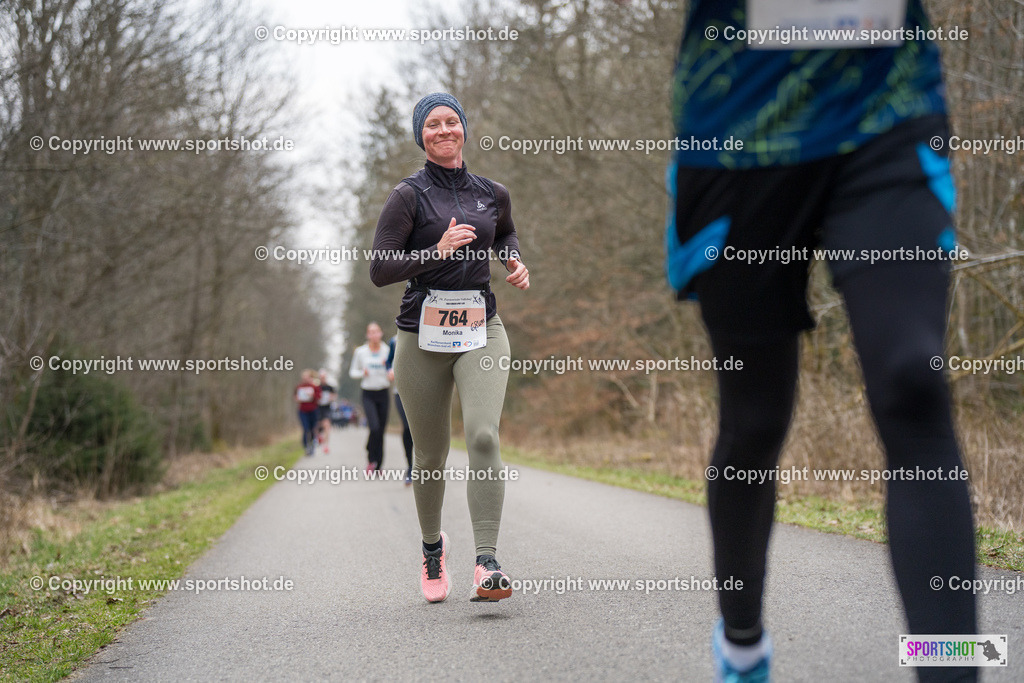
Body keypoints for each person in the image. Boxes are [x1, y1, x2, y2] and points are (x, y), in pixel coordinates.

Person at [664, 2, 977, 681]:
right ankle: (742, 641)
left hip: (885, 105)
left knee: (913, 381)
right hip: (735, 136)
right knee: (755, 419)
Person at [370, 92, 529, 603]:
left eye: (451, 121)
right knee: (430, 454)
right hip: (421, 334)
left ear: (464, 128)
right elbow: (380, 269)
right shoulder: (408, 196)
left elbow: (505, 234)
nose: (444, 130)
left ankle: (487, 563)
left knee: (482, 435)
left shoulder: (492, 193)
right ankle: (433, 549)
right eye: (432, 124)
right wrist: (435, 251)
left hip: (482, 327)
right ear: (421, 136)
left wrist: (513, 260)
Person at [348, 322, 391, 474]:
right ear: (367, 335)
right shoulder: (361, 352)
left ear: (381, 333)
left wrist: (390, 371)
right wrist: (362, 373)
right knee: (374, 427)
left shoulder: (387, 350)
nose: (374, 334)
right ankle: (371, 458)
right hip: (368, 393)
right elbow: (353, 372)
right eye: (371, 332)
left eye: (376, 331)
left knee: (381, 430)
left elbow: (393, 369)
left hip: (383, 392)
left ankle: (379, 465)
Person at [386, 333, 414, 486]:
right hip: (400, 391)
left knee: (424, 429)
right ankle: (410, 467)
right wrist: (389, 370)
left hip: (423, 390)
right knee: (408, 427)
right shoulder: (394, 340)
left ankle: (426, 465)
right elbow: (388, 361)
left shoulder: (427, 332)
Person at [294, 369, 321, 457]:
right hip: (303, 411)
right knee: (306, 428)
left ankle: (312, 445)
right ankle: (306, 446)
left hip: (313, 410)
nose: (305, 378)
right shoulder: (299, 387)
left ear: (310, 377)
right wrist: (297, 398)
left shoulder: (315, 387)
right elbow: (295, 397)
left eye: (307, 377)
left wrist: (312, 395)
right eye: (304, 377)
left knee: (312, 429)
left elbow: (319, 397)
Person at [316, 370, 335, 455]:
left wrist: (331, 398)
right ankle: (319, 437)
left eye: (324, 377)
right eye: (321, 377)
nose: (323, 379)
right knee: (318, 426)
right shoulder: (317, 387)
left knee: (327, 425)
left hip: (327, 408)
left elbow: (334, 396)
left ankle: (326, 446)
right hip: (318, 408)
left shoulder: (330, 387)